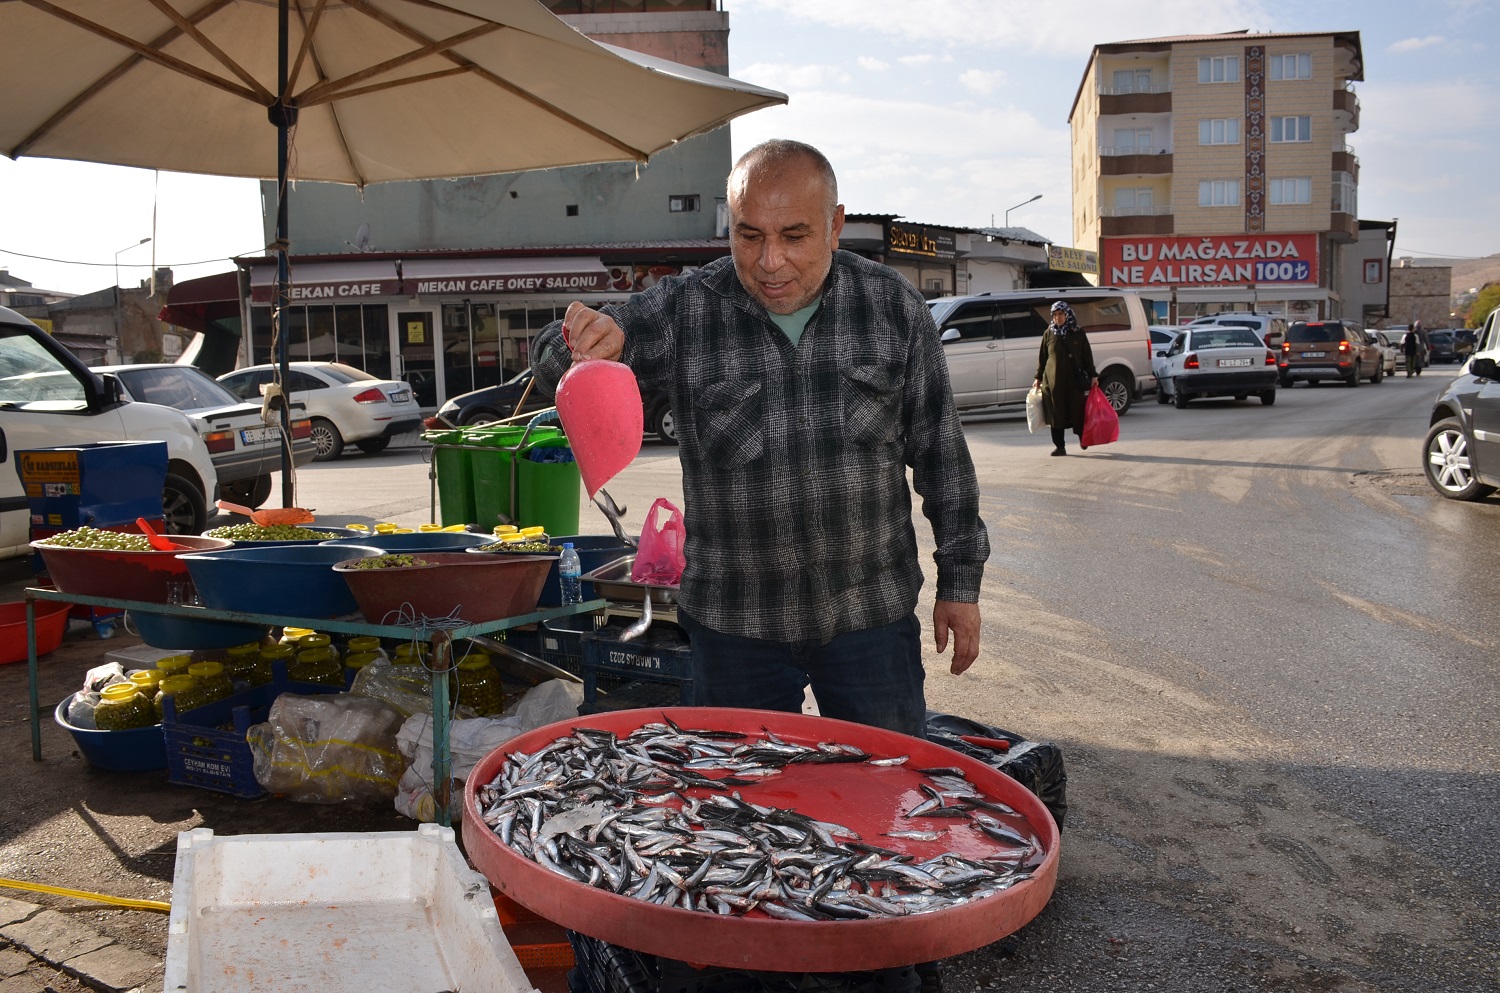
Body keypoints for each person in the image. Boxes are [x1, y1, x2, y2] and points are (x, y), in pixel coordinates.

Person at [529, 139, 989, 739]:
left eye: (794, 236)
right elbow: (548, 364)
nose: (770, 260)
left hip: (869, 619)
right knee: (741, 805)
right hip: (734, 628)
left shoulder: (890, 307)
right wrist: (580, 341)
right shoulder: (689, 310)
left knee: (884, 798)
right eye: (749, 236)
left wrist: (960, 582)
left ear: (835, 227)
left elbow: (941, 454)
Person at [1032, 301, 1098, 456]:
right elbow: (1043, 358)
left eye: (1060, 314)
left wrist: (1093, 375)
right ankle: (1060, 446)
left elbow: (1087, 356)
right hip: (1053, 384)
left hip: (1073, 382)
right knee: (1056, 414)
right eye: (1055, 315)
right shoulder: (1049, 333)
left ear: (1067, 314)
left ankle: (1083, 438)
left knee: (1077, 412)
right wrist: (1038, 377)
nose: (1058, 318)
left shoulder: (1078, 332)